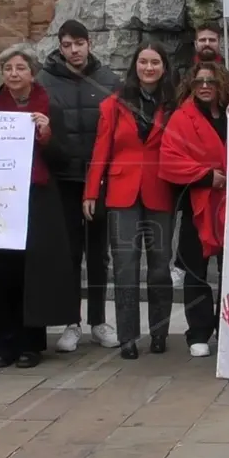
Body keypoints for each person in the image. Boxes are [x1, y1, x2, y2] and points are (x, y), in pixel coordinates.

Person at [83, 42, 176, 360]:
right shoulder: (113, 104)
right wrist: (91, 192)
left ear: (164, 67)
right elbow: (101, 149)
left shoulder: (173, 103)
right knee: (125, 266)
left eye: (155, 62)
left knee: (161, 267)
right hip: (122, 192)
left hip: (160, 188)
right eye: (144, 62)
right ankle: (127, 337)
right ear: (135, 65)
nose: (149, 68)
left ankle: (160, 332)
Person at [36, 19, 120, 353]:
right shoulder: (45, 82)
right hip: (63, 179)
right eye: (68, 44)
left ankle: (99, 320)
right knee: (69, 254)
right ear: (60, 46)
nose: (74, 50)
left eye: (80, 43)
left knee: (99, 255)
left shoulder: (109, 80)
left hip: (98, 181)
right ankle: (72, 321)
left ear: (89, 44)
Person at [0, 44, 77, 368]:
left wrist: (46, 135)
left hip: (37, 199)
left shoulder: (49, 107)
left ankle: (31, 345)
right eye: (8, 69)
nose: (14, 74)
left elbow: (63, 157)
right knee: (1, 271)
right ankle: (5, 342)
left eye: (20, 68)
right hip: (0, 200)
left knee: (33, 272)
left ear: (32, 72)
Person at [160, 61, 229, 357]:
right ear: (191, 85)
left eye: (211, 82)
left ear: (221, 85)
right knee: (196, 270)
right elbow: (169, 159)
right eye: (199, 81)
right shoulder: (181, 118)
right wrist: (206, 176)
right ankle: (198, 332)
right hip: (198, 201)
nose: (205, 86)